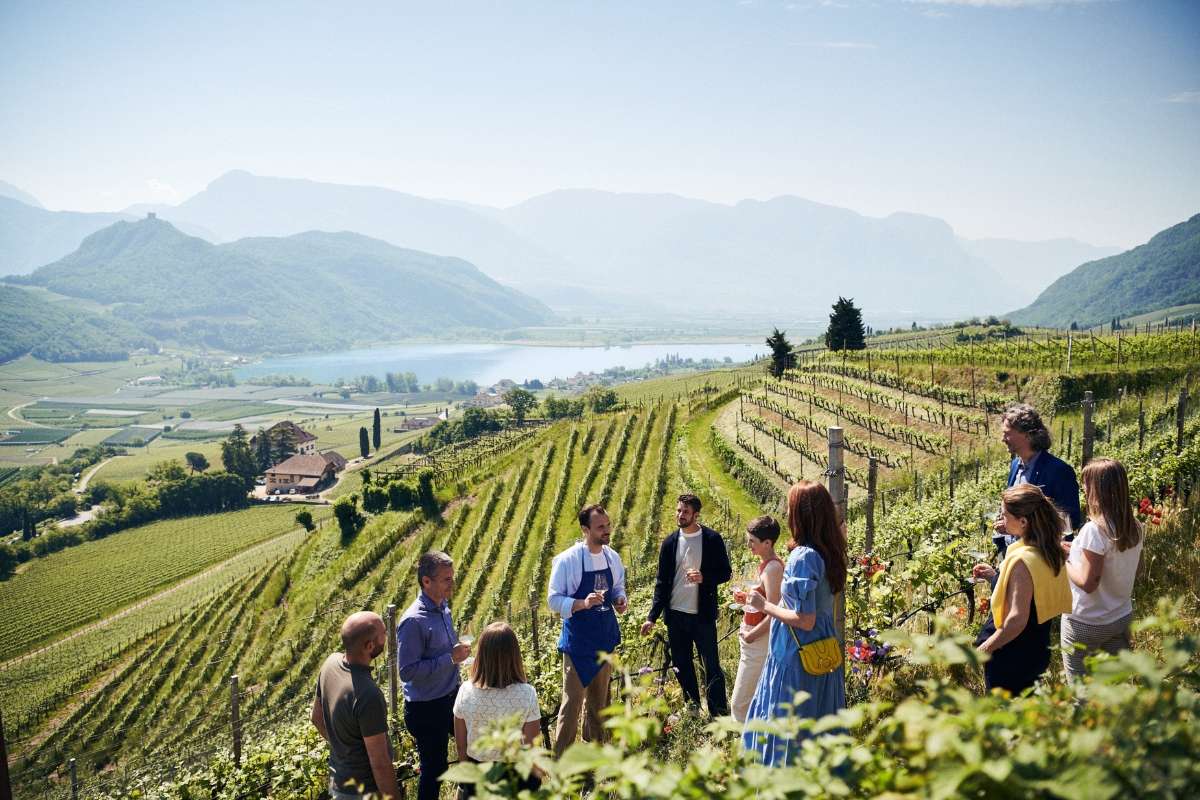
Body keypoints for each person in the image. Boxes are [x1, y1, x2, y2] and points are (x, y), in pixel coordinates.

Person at [742, 482, 847, 766]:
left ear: (801, 515)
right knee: (819, 719)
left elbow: (804, 618)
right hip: (823, 648)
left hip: (796, 653)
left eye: (791, 507)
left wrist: (764, 606)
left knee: (787, 723)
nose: (787, 512)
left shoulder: (803, 556)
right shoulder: (830, 549)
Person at [972, 484, 1073, 695]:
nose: (1001, 519)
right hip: (1036, 649)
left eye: (1005, 515)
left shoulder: (1022, 561)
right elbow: (1032, 592)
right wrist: (995, 576)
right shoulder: (1050, 549)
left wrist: (984, 649)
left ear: (1024, 521)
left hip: (1011, 656)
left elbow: (1017, 619)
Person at [639, 494, 732, 716]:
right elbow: (661, 582)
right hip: (675, 616)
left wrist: (704, 577)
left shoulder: (711, 539)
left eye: (685, 512)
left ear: (696, 515)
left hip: (702, 616)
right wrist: (652, 617)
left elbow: (725, 573)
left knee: (711, 665)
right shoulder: (670, 543)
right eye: (678, 510)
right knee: (682, 665)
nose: (680, 515)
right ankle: (692, 707)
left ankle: (718, 712)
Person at [547, 503, 628, 756]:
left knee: (600, 704)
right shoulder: (568, 561)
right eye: (600, 527)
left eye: (608, 525)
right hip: (578, 645)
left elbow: (618, 588)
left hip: (604, 640)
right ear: (585, 529)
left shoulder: (612, 557)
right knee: (571, 707)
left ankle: (595, 757)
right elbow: (553, 600)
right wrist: (582, 603)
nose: (607, 530)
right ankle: (562, 764)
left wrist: (620, 599)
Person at [397, 551, 471, 800]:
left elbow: (444, 652)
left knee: (472, 748)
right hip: (426, 708)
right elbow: (407, 672)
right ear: (426, 581)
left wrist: (456, 656)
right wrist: (450, 658)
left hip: (451, 697)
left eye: (452, 577)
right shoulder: (413, 621)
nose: (452, 583)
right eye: (446, 579)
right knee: (435, 770)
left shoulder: (443, 609)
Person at [1060, 458, 1143, 680]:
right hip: (1120, 616)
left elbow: (1088, 583)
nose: (1083, 489)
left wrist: (1064, 560)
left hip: (1087, 622)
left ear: (1098, 489)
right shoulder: (1134, 526)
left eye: (1087, 483)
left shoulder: (1095, 530)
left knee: (1082, 692)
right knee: (1115, 686)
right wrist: (1076, 550)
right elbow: (1120, 565)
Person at [312, 611, 401, 800]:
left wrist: (344, 749)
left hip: (338, 784)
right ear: (369, 646)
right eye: (383, 634)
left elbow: (316, 718)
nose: (386, 636)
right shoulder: (368, 695)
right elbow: (380, 763)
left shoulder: (330, 664)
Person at [452, 622, 543, 797]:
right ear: (514, 655)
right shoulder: (527, 694)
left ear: (481, 654)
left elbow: (461, 746)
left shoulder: (465, 691)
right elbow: (532, 749)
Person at [995, 404, 1081, 557]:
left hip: (1042, 558)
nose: (1003, 439)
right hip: (1014, 553)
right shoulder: (1015, 465)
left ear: (1027, 435)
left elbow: (1071, 520)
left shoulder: (1059, 471)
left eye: (1007, 433)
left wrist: (1020, 528)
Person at [729, 515, 784, 723]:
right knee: (753, 696)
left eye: (752, 541)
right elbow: (763, 604)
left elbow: (775, 612)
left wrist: (751, 635)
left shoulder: (773, 569)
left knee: (739, 703)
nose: (748, 544)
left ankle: (743, 748)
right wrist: (746, 601)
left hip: (759, 642)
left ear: (768, 543)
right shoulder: (765, 565)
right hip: (754, 641)